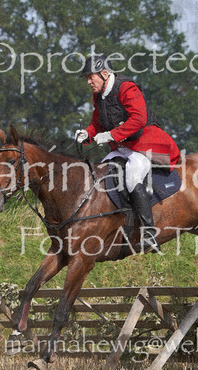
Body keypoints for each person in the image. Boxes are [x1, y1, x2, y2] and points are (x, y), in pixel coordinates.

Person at [75, 54, 181, 253]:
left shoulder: (126, 88)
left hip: (146, 143)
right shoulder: (99, 95)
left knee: (132, 177)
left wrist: (111, 135)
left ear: (104, 74)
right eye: (87, 78)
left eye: (91, 77)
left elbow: (139, 119)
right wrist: (87, 134)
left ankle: (149, 235)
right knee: (101, 173)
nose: (88, 82)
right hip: (124, 147)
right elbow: (97, 123)